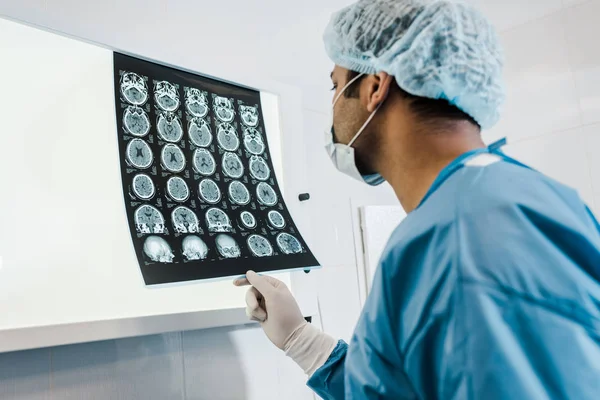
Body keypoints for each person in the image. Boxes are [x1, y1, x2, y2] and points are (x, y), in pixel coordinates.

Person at [234, 0, 600, 398]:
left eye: (336, 86)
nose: (334, 107)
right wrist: (301, 340)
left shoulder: (456, 238)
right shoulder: (535, 197)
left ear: (375, 87)